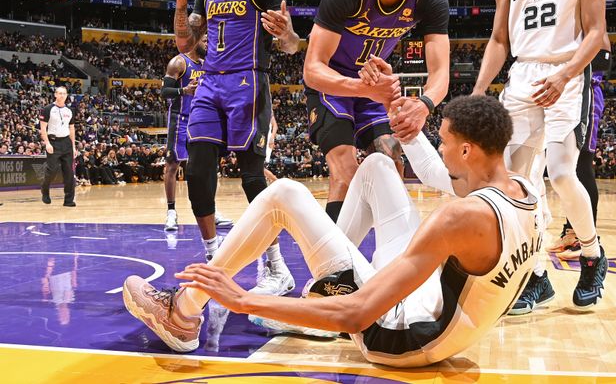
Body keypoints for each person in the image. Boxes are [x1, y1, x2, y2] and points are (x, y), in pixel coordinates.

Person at [122, 96, 542, 367]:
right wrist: (394, 103)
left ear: (467, 151)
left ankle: (183, 314)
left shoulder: (462, 219)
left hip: (398, 337)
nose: (441, 147)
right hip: (440, 312)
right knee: (376, 166)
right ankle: (327, 285)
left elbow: (358, 314)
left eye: (445, 141)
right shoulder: (522, 190)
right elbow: (437, 172)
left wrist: (243, 299)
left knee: (284, 192)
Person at [472, 0, 608, 309]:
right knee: (512, 180)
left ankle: (591, 255)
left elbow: (595, 33)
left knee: (564, 173)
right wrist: (478, 93)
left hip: (567, 72)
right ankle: (536, 275)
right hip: (522, 75)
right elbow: (499, 39)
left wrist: (565, 74)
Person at [173, 0, 300, 300]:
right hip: (210, 85)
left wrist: (287, 34)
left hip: (248, 82)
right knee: (196, 171)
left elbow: (291, 46)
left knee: (251, 177)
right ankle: (213, 261)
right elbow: (185, 45)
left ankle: (276, 267)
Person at [303, 0, 450, 224]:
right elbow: (312, 69)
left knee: (392, 164)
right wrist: (361, 88)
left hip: (373, 89)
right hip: (334, 85)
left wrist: (424, 104)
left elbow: (441, 73)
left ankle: (386, 259)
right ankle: (333, 266)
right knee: (346, 171)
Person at [546, 40, 611, 266]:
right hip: (568, 95)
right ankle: (571, 230)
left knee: (582, 166)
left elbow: (602, 60)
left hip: (586, 94)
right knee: (568, 170)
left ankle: (586, 240)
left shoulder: (594, 25)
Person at [161, 35, 234, 231]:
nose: (208, 43)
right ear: (194, 41)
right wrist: (184, 91)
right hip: (180, 119)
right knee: (172, 165)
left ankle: (212, 211)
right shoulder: (179, 62)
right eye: (205, 40)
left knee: (209, 167)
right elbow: (165, 91)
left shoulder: (207, 65)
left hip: (201, 119)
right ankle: (171, 212)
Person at [39, 86, 77, 207]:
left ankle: (69, 200)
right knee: (52, 171)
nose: (61, 95)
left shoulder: (70, 110)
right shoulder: (47, 109)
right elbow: (43, 128)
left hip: (66, 142)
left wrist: (73, 146)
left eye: (64, 93)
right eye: (59, 93)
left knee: (69, 173)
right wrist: (47, 143)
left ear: (66, 96)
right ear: (55, 95)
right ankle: (45, 190)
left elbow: (72, 128)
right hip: (53, 142)